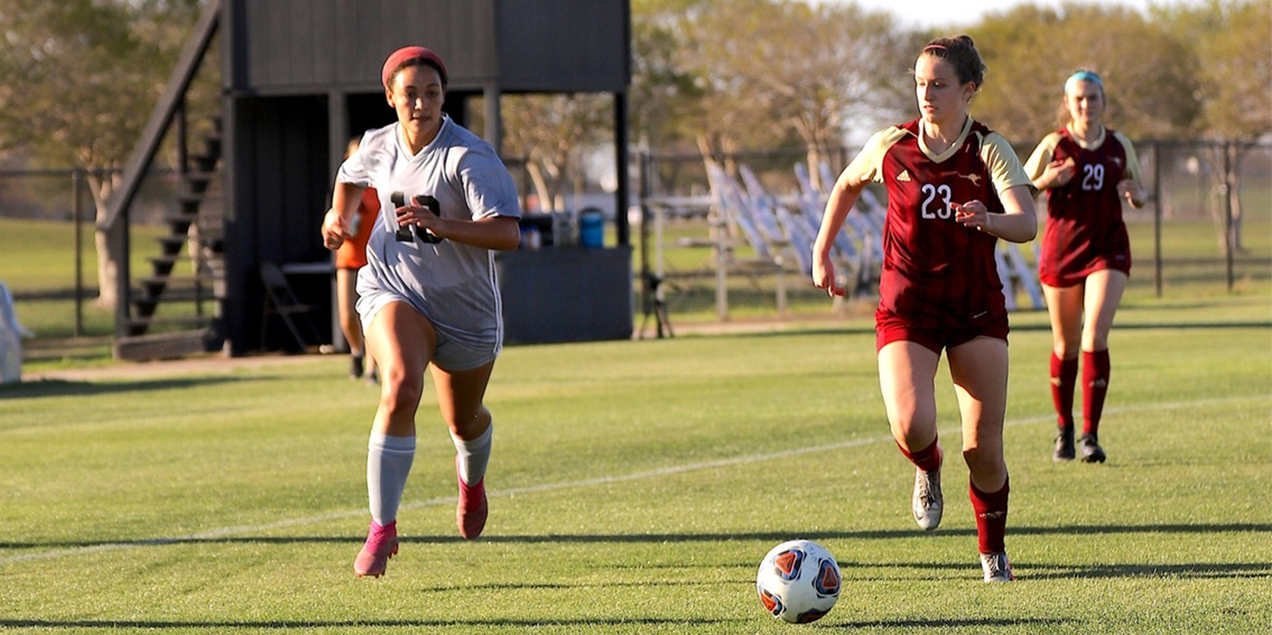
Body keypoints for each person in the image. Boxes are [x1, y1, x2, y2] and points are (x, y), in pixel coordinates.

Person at [812, 35, 1037, 583]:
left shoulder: (988, 147)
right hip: (906, 307)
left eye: (939, 84)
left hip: (975, 308)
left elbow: (1026, 223)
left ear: (968, 89)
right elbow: (846, 184)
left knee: (983, 449)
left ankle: (993, 555)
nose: (926, 94)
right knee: (914, 425)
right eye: (920, 82)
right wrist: (822, 250)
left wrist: (987, 218)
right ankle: (927, 468)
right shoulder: (892, 143)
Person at [320, 46, 521, 578]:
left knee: (464, 419)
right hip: (395, 289)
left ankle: (471, 480)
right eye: (410, 93)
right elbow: (348, 176)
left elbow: (507, 233)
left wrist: (446, 226)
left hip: (466, 310)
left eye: (432, 93)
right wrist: (336, 217)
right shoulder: (378, 144)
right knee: (402, 384)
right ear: (391, 97)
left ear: (442, 98)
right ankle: (382, 528)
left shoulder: (468, 156)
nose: (421, 103)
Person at [1024, 70, 1146, 464]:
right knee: (1066, 344)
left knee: (1094, 334)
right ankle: (1065, 429)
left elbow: (1139, 192)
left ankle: (1091, 435)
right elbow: (1019, 190)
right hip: (1062, 253)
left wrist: (1135, 195)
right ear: (1067, 102)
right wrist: (1047, 179)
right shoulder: (1054, 144)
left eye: (1092, 98)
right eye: (1078, 98)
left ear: (1103, 101)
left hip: (1107, 249)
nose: (1086, 105)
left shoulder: (1119, 144)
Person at [334, 137, 381, 383]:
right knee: (347, 314)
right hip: (348, 258)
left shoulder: (378, 188)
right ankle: (356, 351)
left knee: (372, 316)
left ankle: (372, 369)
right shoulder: (345, 189)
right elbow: (333, 218)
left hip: (373, 260)